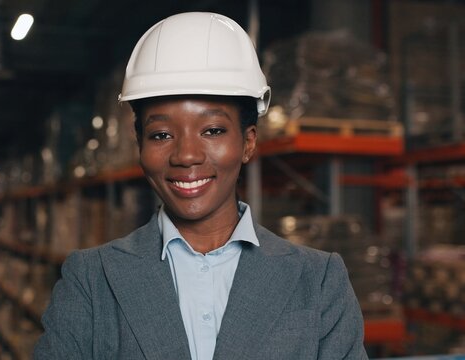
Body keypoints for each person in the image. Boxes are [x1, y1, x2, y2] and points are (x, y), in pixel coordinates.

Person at [34, 12, 368, 360]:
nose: (186, 155)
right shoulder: (91, 280)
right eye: (161, 135)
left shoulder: (318, 280)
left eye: (212, 130)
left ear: (248, 142)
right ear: (140, 146)